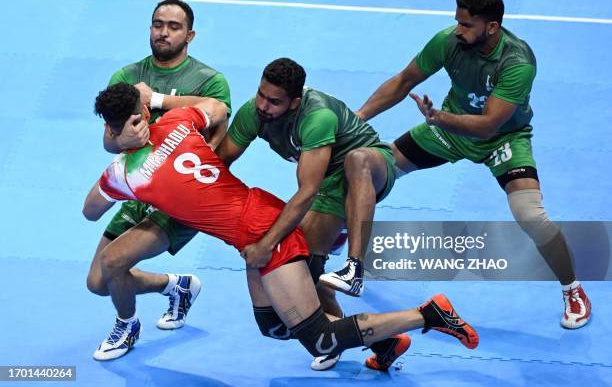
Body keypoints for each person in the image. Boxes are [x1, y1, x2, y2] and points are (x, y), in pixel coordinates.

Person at [83, 82, 479, 369]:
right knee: (273, 327)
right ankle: (387, 339)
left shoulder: (124, 174)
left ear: (112, 126)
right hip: (257, 219)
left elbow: (90, 211)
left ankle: (429, 314)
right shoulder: (180, 122)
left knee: (320, 338)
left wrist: (115, 145)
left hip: (264, 236)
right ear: (144, 113)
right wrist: (158, 101)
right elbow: (217, 108)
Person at [356, 0, 591, 329]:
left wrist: (439, 118)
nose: (457, 30)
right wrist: (357, 118)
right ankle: (351, 250)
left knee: (530, 215)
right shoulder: (448, 42)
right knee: (370, 170)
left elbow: (488, 125)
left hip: (502, 138)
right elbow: (404, 80)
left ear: (492, 27)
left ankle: (573, 289)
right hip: (449, 129)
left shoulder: (517, 62)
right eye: (457, 22)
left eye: (466, 25)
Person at [216, 58, 397, 369]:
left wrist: (266, 243)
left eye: (274, 101)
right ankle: (382, 342)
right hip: (328, 182)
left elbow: (307, 190)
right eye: (261, 94)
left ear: (295, 102)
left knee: (356, 159)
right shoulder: (253, 112)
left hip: (369, 167)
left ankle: (355, 268)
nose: (263, 105)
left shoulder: (317, 117)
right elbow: (220, 164)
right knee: (307, 276)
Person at [86, 0, 232, 360]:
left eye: (173, 26)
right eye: (157, 24)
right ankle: (176, 285)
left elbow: (218, 118)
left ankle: (127, 325)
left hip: (185, 196)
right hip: (139, 187)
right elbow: (109, 139)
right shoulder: (125, 76)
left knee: (115, 262)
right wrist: (123, 141)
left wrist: (159, 100)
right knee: (98, 282)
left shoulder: (210, 80)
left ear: (190, 35)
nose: (163, 32)